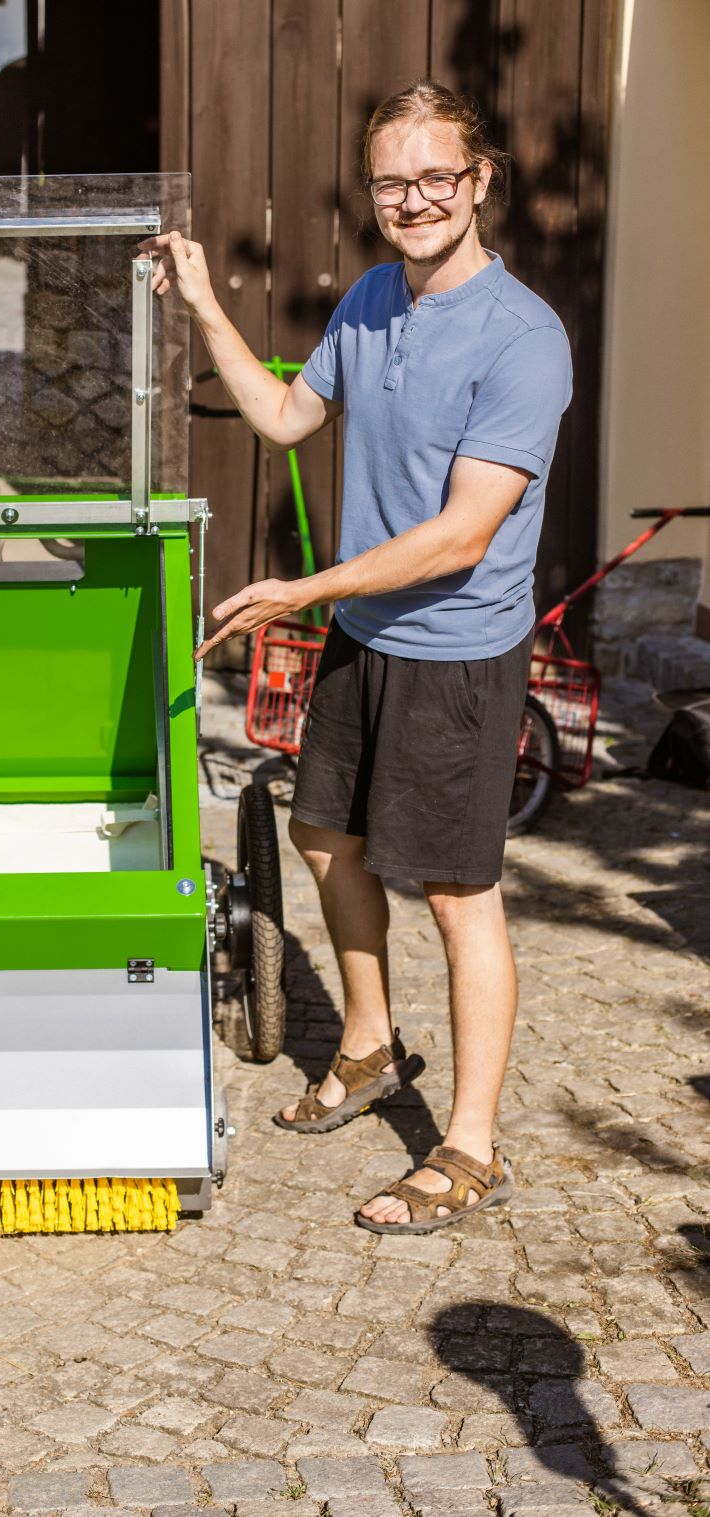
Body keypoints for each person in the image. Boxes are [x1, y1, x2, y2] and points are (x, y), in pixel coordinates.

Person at [141, 80, 571, 1234]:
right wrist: (202, 308)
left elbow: (464, 533)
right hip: (366, 632)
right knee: (326, 837)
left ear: (480, 183)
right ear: (372, 194)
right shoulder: (376, 299)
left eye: (439, 177)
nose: (416, 200)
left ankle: (471, 1148)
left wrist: (303, 588)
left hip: (455, 650)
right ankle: (373, 1045)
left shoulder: (524, 339)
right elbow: (286, 418)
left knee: (455, 890)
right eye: (393, 182)